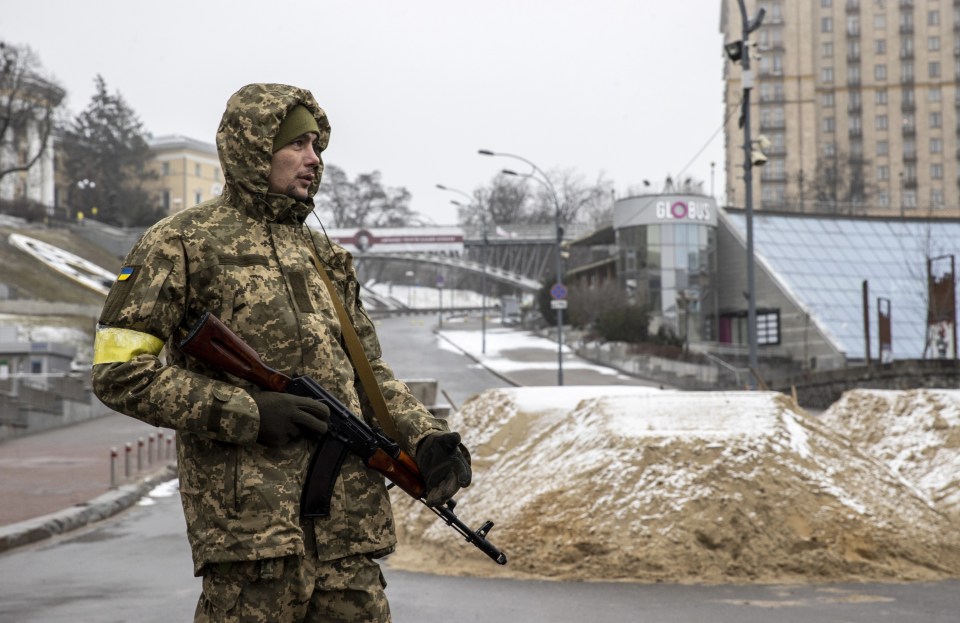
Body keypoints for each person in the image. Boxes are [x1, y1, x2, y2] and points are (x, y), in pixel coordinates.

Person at [91, 83, 472, 623]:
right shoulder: (182, 242)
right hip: (253, 539)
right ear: (254, 147)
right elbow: (119, 372)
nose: (313, 160)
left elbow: (370, 374)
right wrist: (247, 412)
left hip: (349, 537)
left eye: (317, 147)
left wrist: (425, 436)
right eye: (297, 145)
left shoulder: (326, 256)